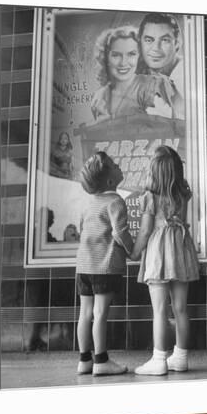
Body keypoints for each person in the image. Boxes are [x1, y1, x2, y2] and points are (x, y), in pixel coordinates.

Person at [130, 146, 200, 375]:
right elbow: (184, 222)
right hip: (181, 248)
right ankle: (180, 357)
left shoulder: (150, 197)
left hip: (159, 252)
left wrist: (135, 252)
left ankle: (159, 359)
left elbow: (146, 231)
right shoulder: (183, 194)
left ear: (153, 172)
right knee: (180, 308)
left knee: (160, 309)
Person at [76, 151, 133, 375]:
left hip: (83, 266)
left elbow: (84, 230)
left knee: (85, 313)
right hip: (105, 267)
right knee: (100, 314)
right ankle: (101, 360)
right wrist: (133, 251)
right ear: (110, 181)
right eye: (114, 164)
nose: (118, 165)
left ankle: (84, 360)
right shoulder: (116, 201)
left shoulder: (88, 204)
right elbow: (120, 233)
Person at [90, 26, 177, 122]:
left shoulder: (152, 86)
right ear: (106, 57)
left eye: (131, 54)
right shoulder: (100, 97)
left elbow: (167, 130)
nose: (123, 63)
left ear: (140, 56)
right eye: (116, 55)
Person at [138, 13, 184, 119]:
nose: (156, 48)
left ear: (177, 44)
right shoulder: (143, 72)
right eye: (149, 40)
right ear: (140, 43)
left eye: (164, 40)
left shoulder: (185, 76)